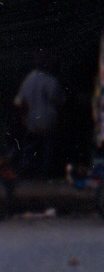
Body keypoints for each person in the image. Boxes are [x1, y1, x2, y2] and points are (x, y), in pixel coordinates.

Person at [12, 51, 65, 180]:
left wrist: (23, 117)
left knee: (30, 149)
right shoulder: (51, 81)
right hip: (48, 120)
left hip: (31, 120)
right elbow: (61, 101)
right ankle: (45, 175)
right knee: (47, 149)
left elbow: (20, 102)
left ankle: (26, 174)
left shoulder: (29, 80)